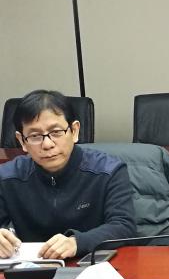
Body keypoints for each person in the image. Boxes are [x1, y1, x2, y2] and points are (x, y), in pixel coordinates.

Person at [0, 90, 136, 259]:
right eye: (35, 136)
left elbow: (124, 226)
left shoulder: (109, 171)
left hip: (91, 265)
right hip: (28, 268)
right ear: (22, 141)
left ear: (74, 131)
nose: (47, 144)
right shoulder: (6, 178)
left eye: (56, 132)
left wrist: (77, 242)